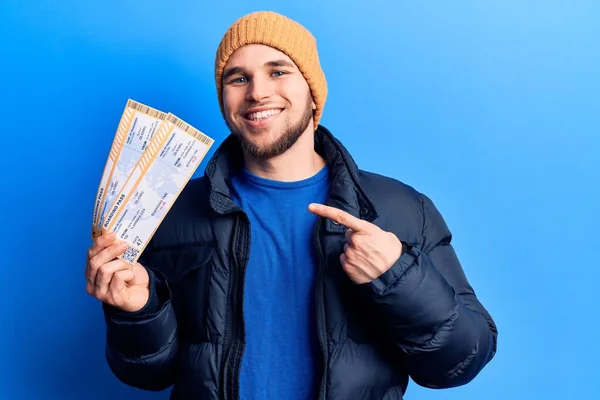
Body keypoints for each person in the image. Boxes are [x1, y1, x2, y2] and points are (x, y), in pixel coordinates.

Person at [85, 10, 498, 400]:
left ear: (313, 93)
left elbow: (459, 363)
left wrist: (399, 277)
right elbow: (148, 375)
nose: (257, 92)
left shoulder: (400, 209)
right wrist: (139, 313)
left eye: (278, 71)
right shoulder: (172, 211)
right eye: (237, 78)